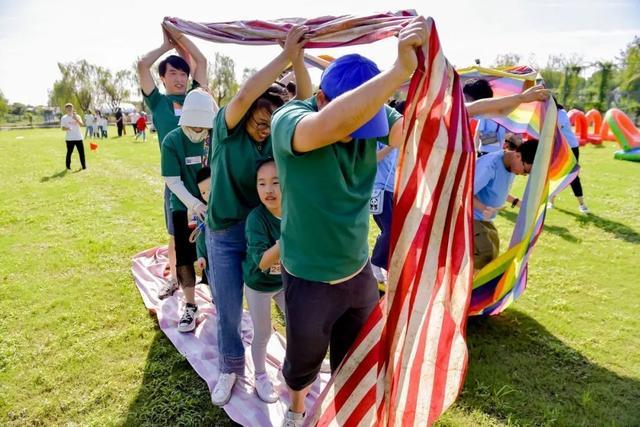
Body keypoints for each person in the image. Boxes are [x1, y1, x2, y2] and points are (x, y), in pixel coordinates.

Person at [271, 17, 550, 425]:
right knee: (302, 362)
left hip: (357, 271)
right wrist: (400, 71)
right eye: (358, 125)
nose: (362, 134)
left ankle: (344, 413)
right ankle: (296, 411)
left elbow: (433, 125)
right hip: (309, 275)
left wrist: (500, 104)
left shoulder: (371, 113)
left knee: (355, 356)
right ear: (324, 99)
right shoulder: (291, 119)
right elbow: (331, 126)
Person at [205, 25, 311, 407]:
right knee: (229, 308)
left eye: (273, 123)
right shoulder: (226, 131)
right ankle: (230, 368)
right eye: (261, 122)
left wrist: (298, 60)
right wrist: (285, 53)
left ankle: (276, 368)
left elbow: (306, 98)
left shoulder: (274, 144)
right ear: (245, 116)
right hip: (221, 233)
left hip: (259, 233)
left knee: (271, 297)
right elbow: (247, 91)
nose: (266, 131)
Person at [138, 25, 208, 299]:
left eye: (183, 73)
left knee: (205, 232)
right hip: (176, 180)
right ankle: (175, 277)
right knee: (176, 235)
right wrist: (166, 46)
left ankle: (205, 277)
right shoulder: (158, 102)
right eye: (173, 73)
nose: (179, 79)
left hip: (204, 179)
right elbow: (142, 64)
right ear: (163, 78)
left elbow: (201, 61)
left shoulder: (197, 96)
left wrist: (180, 39)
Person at [161, 89, 217, 332]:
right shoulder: (172, 141)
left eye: (201, 127)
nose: (197, 131)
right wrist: (195, 205)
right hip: (184, 208)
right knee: (184, 256)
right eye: (193, 126)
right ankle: (191, 304)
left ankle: (219, 298)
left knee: (216, 253)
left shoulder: (213, 137)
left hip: (213, 206)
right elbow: (172, 181)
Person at [242, 158, 285, 403]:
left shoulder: (294, 208)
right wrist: (287, 239)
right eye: (262, 183)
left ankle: (296, 365)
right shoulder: (256, 219)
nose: (268, 189)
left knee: (299, 323)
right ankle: (260, 375)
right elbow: (262, 262)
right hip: (258, 284)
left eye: (276, 182)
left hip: (283, 282)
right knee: (263, 332)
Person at [473, 140, 539, 271]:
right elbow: (463, 192)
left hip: (485, 219)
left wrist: (517, 202)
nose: (524, 175)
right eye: (525, 171)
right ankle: (470, 288)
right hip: (469, 216)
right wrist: (484, 208)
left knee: (492, 257)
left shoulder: (512, 166)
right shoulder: (489, 166)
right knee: (485, 255)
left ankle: (473, 287)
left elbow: (498, 190)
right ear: (518, 156)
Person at [370, 101, 403, 289]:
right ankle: (376, 261)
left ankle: (386, 263)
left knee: (393, 230)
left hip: (393, 190)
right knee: (389, 229)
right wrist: (391, 145)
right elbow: (373, 159)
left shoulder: (403, 138)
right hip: (378, 189)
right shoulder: (379, 133)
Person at [548, 99, 589, 213]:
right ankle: (551, 201)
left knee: (573, 175)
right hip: (556, 148)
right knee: (554, 172)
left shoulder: (561, 113)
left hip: (571, 147)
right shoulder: (547, 113)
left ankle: (582, 204)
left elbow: (555, 128)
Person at [463, 79, 507, 156]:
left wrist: (475, 152)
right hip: (497, 152)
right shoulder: (499, 112)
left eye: (467, 98)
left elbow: (478, 134)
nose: (466, 101)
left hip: (485, 152)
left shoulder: (483, 114)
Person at [61, 103, 86, 170]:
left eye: (70, 108)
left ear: (73, 109)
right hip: (69, 139)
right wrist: (68, 128)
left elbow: (82, 125)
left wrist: (76, 119)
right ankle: (68, 167)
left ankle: (84, 166)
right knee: (69, 153)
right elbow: (62, 128)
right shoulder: (64, 118)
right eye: (68, 108)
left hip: (78, 137)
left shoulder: (77, 116)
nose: (69, 109)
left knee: (81, 153)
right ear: (65, 110)